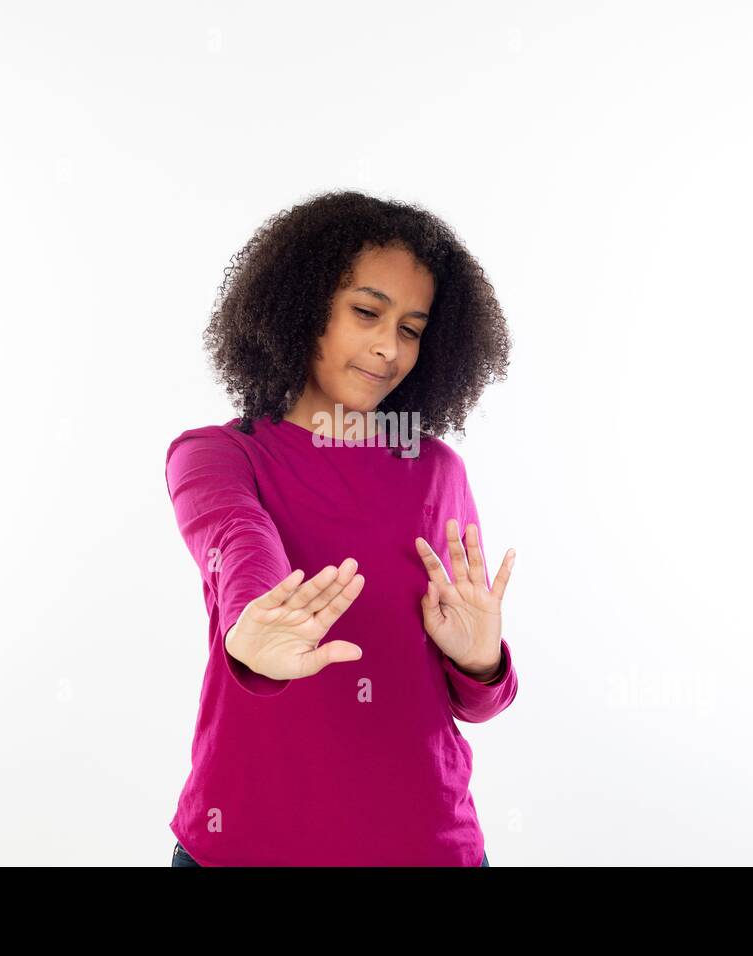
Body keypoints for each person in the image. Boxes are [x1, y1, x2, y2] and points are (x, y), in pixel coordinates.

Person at [164, 190, 517, 866]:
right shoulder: (218, 455)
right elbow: (238, 541)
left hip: (427, 846)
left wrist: (479, 660)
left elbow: (476, 703)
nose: (388, 348)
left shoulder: (435, 467)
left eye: (411, 329)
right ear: (302, 307)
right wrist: (256, 628)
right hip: (244, 845)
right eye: (366, 313)